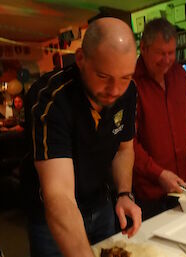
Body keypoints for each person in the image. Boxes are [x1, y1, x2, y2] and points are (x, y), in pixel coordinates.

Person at [22, 17, 141, 257]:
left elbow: (123, 148)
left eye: (125, 77)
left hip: (101, 205)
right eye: (104, 76)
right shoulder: (51, 99)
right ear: (80, 59)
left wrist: (124, 194)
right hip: (54, 216)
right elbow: (59, 195)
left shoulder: (128, 92)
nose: (115, 90)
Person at [133, 18, 186, 220]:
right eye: (160, 53)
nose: (166, 59)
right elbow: (128, 143)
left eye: (171, 53)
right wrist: (158, 174)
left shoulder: (180, 74)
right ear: (143, 48)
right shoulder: (130, 84)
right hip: (149, 193)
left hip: (183, 185)